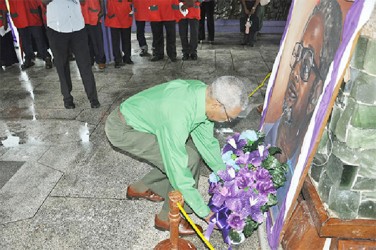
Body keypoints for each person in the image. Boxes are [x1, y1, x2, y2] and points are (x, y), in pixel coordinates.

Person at [105, 76, 248, 235]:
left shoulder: (203, 95)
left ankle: (140, 187)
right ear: (216, 104)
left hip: (147, 121)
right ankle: (167, 218)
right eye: (229, 117)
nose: (227, 121)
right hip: (124, 130)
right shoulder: (178, 113)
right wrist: (205, 213)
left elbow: (207, 143)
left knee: (188, 152)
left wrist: (226, 176)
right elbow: (177, 168)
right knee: (187, 161)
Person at [263, 0, 342, 204]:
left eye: (307, 62)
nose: (296, 71)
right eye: (299, 55)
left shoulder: (302, 164)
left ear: (317, 91)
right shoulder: (267, 136)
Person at [42, 0, 100, 110]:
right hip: (57, 28)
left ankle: (93, 98)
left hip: (77, 26)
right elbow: (44, 1)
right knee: (62, 66)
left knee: (85, 65)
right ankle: (67, 98)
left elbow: (83, 1)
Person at [8, 0, 52, 70]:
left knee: (39, 38)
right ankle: (29, 58)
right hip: (19, 17)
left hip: (32, 14)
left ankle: (46, 57)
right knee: (25, 40)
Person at [105, 0, 133, 68]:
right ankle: (117, 60)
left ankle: (127, 57)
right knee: (115, 41)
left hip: (125, 15)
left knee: (126, 39)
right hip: (114, 17)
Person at [81, 0, 106, 70]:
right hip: (83, 17)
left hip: (95, 16)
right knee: (86, 42)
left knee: (98, 41)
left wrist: (102, 10)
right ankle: (90, 60)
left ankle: (101, 60)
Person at [0, 0, 19, 70]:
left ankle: (8, 61)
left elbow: (4, 10)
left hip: (2, 24)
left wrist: (4, 22)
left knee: (5, 44)